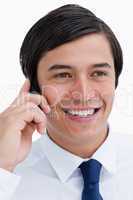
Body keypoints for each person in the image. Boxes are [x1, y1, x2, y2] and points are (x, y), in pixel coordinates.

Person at [0, 3, 133, 200]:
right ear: (34, 88)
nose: (84, 94)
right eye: (63, 75)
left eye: (98, 73)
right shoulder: (8, 174)